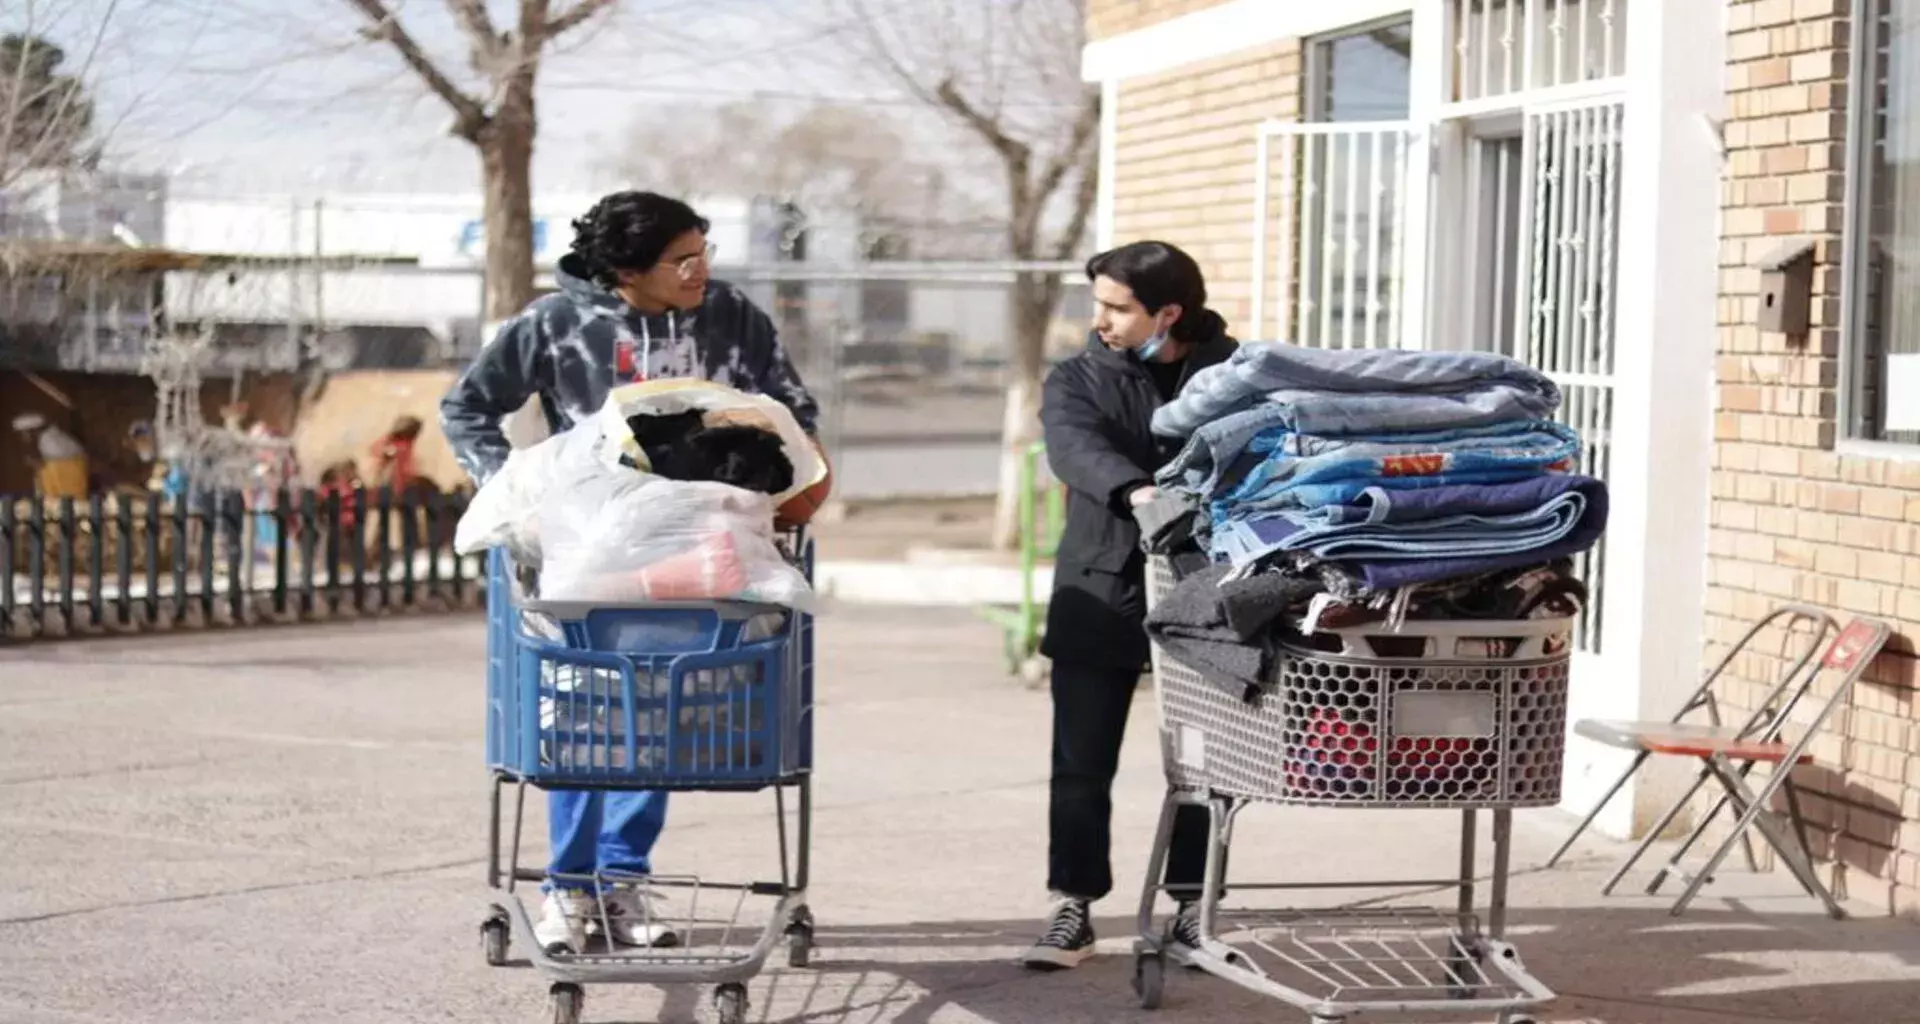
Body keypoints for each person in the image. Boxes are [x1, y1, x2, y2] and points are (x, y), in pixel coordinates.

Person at [440, 191, 820, 955]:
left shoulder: (731, 317)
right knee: (583, 717)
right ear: (625, 270)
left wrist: (771, 475)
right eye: (682, 259)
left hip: (698, 554)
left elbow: (792, 404)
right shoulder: (557, 324)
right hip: (590, 557)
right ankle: (567, 888)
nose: (700, 270)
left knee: (663, 715)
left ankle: (619, 879)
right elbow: (467, 407)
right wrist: (517, 494)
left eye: (704, 251)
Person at [1022, 240, 1237, 970]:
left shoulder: (1235, 374)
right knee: (1082, 762)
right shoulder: (1078, 377)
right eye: (1099, 305)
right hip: (1101, 581)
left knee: (1207, 762)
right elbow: (1072, 447)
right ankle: (1074, 908)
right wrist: (1139, 491)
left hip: (1207, 585)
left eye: (1118, 307)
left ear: (1168, 313)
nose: (1101, 320)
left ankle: (1190, 912)